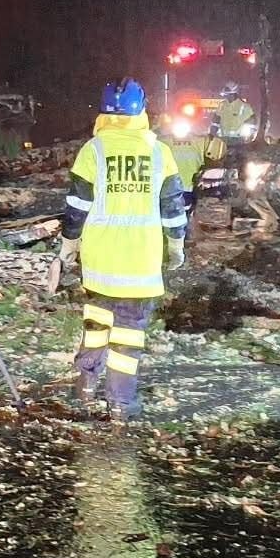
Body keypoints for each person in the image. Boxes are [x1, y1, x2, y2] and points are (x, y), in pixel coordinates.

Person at [58, 78, 190, 419]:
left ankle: (85, 386)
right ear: (141, 110)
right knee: (128, 334)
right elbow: (173, 209)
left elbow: (76, 207)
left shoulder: (94, 151)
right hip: (140, 264)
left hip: (100, 261)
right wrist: (176, 247)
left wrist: (69, 246)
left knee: (97, 320)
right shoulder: (159, 152)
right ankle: (120, 404)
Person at [163, 128, 225, 238]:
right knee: (180, 216)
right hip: (186, 188)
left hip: (170, 188)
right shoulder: (203, 141)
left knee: (173, 215)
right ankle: (179, 239)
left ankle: (176, 239)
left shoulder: (162, 140)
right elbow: (216, 156)